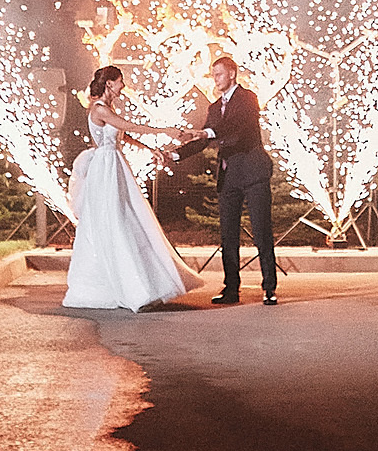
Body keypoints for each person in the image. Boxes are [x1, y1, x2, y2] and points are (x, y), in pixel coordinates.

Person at [62, 66, 207, 311]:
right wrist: (165, 131)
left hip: (116, 165)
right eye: (120, 82)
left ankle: (143, 284)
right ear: (109, 84)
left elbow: (124, 136)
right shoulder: (99, 109)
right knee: (113, 219)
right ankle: (127, 288)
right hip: (105, 168)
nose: (123, 86)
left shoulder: (109, 110)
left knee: (129, 216)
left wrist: (149, 149)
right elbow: (129, 126)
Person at [169, 54, 279, 305]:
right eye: (212, 74)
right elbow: (204, 139)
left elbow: (237, 126)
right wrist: (175, 154)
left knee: (262, 231)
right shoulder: (213, 107)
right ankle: (231, 289)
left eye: (218, 73)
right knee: (228, 235)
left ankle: (269, 287)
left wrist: (208, 131)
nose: (214, 78)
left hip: (253, 173)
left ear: (232, 73)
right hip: (228, 176)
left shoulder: (248, 98)